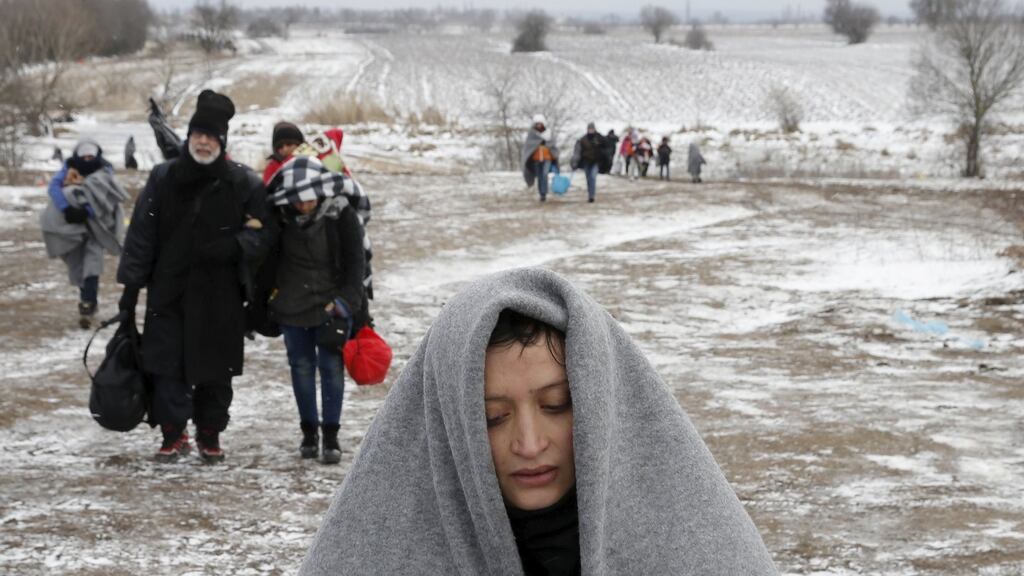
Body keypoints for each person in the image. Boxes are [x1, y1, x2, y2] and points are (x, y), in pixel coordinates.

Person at [298, 267, 779, 576]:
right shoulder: (374, 551)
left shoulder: (697, 547)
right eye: (492, 417)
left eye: (556, 405)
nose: (528, 444)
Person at [116, 90, 269, 463]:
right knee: (167, 367)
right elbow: (141, 235)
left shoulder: (242, 182)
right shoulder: (164, 178)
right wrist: (131, 289)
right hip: (170, 292)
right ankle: (173, 434)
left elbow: (264, 233)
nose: (203, 142)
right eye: (198, 134)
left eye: (211, 136)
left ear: (222, 141)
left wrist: (235, 247)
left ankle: (209, 434)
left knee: (216, 371)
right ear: (188, 138)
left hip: (222, 297)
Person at [259, 155, 367, 464]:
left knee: (332, 370)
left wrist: (346, 302)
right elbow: (266, 261)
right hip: (291, 306)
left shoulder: (340, 215)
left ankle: (331, 437)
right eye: (297, 200)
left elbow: (355, 263)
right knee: (301, 369)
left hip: (331, 307)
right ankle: (309, 434)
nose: (303, 205)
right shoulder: (279, 217)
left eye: (309, 199)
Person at [39, 138, 128, 329]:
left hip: (97, 227)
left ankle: (87, 303)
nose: (87, 160)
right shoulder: (68, 168)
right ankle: (88, 299)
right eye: (84, 157)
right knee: (78, 264)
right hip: (73, 228)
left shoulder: (105, 172)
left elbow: (106, 197)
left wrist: (89, 211)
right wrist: (68, 209)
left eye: (91, 156)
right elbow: (54, 188)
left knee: (93, 263)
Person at [521, 114, 559, 202]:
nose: (538, 125)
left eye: (540, 124)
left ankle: (544, 192)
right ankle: (541, 194)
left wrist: (546, 144)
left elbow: (552, 144)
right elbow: (529, 145)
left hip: (547, 158)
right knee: (539, 176)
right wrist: (538, 144)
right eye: (537, 124)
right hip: (536, 158)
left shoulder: (548, 133)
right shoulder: (532, 134)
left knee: (545, 174)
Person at [570, 122, 607, 203]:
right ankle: (590, 194)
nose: (591, 130)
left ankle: (592, 196)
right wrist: (575, 162)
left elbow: (605, 147)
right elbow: (578, 152)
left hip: (596, 162)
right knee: (588, 178)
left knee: (593, 177)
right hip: (586, 162)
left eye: (592, 129)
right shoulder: (583, 139)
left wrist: (599, 145)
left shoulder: (599, 138)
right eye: (589, 129)